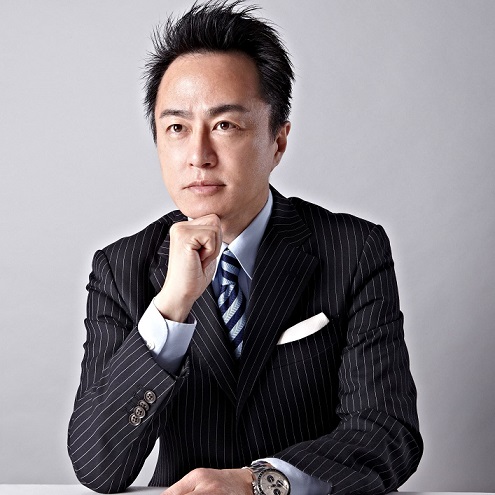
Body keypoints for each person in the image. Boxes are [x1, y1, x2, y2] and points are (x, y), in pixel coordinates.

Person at [67, 2, 423, 494]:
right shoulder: (120, 266)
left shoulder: (353, 250)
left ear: (278, 141)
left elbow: (387, 433)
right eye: (177, 128)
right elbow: (97, 466)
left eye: (225, 125)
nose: (198, 156)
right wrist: (171, 308)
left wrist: (258, 481)